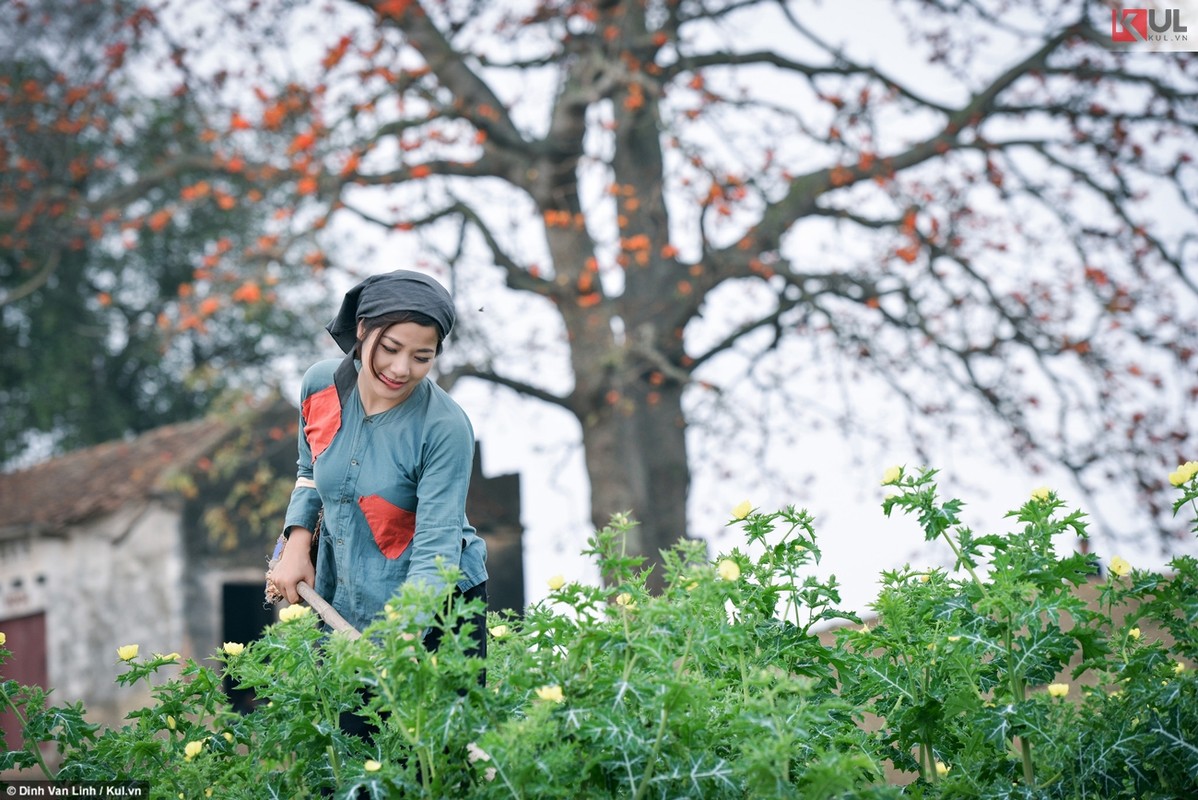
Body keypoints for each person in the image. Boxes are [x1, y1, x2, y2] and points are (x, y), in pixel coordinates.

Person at [268, 269, 488, 674]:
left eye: (422, 357)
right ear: (363, 329)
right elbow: (309, 470)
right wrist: (295, 545)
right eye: (390, 348)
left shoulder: (444, 428)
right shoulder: (320, 386)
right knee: (349, 734)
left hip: (435, 608)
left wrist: (401, 637)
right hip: (344, 596)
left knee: (428, 736)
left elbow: (436, 546)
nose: (401, 368)